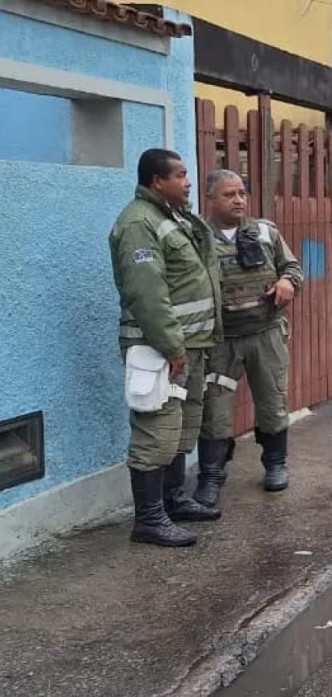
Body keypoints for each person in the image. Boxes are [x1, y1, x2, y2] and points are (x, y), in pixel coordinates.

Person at [109, 149, 223, 547]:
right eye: (181, 175)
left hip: (189, 347)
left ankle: (174, 500)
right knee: (156, 430)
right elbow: (147, 293)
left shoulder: (171, 217)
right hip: (159, 349)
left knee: (180, 429)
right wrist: (173, 346)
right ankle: (149, 519)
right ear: (157, 181)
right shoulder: (139, 223)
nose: (188, 182)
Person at [193, 170, 304, 507]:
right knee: (214, 410)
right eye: (229, 194)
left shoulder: (265, 232)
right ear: (210, 199)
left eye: (242, 193)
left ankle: (275, 465)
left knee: (273, 402)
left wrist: (287, 282)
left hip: (265, 334)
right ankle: (211, 475)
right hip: (220, 340)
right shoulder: (197, 237)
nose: (239, 200)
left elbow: (294, 268)